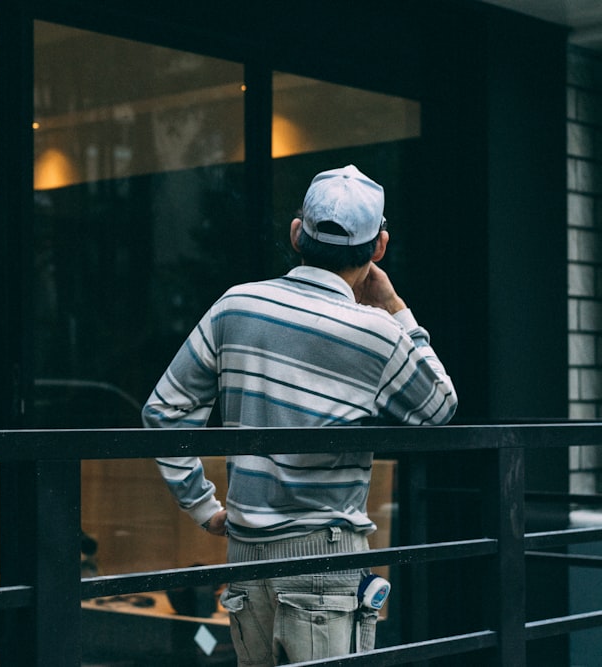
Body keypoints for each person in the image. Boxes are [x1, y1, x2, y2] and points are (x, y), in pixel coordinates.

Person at [141, 164, 457, 665]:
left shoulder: (236, 306)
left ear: (296, 234)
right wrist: (396, 307)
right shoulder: (377, 331)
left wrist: (203, 506)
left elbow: (165, 409)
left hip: (245, 553)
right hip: (326, 557)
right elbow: (439, 406)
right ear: (378, 248)